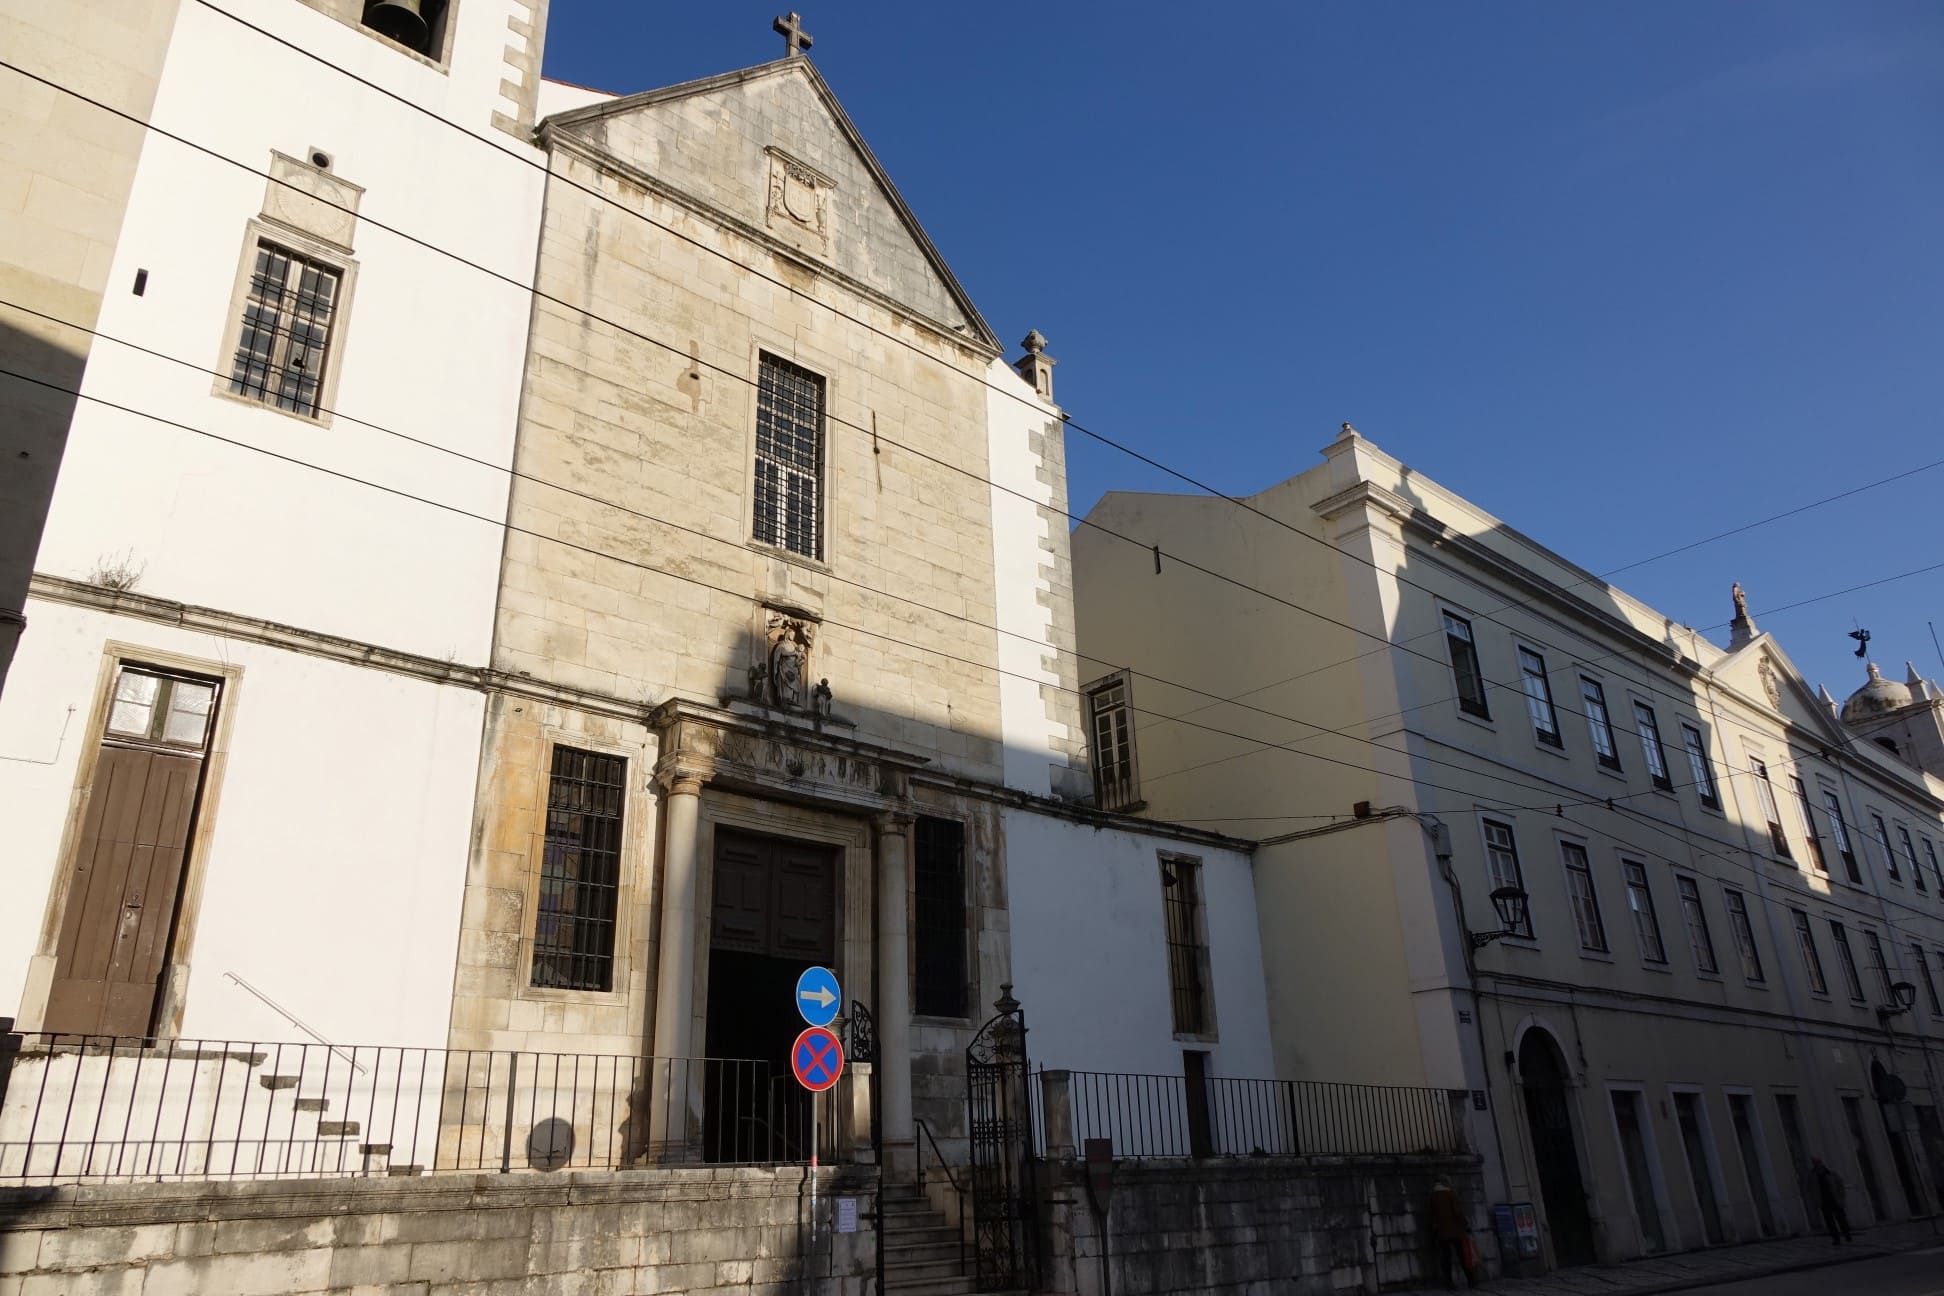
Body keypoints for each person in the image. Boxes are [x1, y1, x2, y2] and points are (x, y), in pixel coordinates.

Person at [1426, 1176, 1479, 1289]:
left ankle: (1449, 1282)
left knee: (1446, 1258)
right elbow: (1458, 1212)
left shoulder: (1433, 1197)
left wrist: (1435, 1228)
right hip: (1456, 1231)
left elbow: (1431, 1215)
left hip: (1441, 1232)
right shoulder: (1450, 1195)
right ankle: (1471, 1280)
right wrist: (1466, 1224)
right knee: (1462, 1255)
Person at [1811, 1157, 1852, 1244]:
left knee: (1841, 1219)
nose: (1817, 1165)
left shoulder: (1830, 1173)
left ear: (1821, 1163)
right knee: (1830, 1222)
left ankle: (1847, 1235)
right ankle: (1836, 1239)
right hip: (1824, 1201)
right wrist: (1816, 1200)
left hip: (1835, 1199)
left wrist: (1841, 1197)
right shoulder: (1812, 1176)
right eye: (1815, 1163)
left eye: (1818, 1162)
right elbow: (1810, 1189)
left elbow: (1840, 1184)